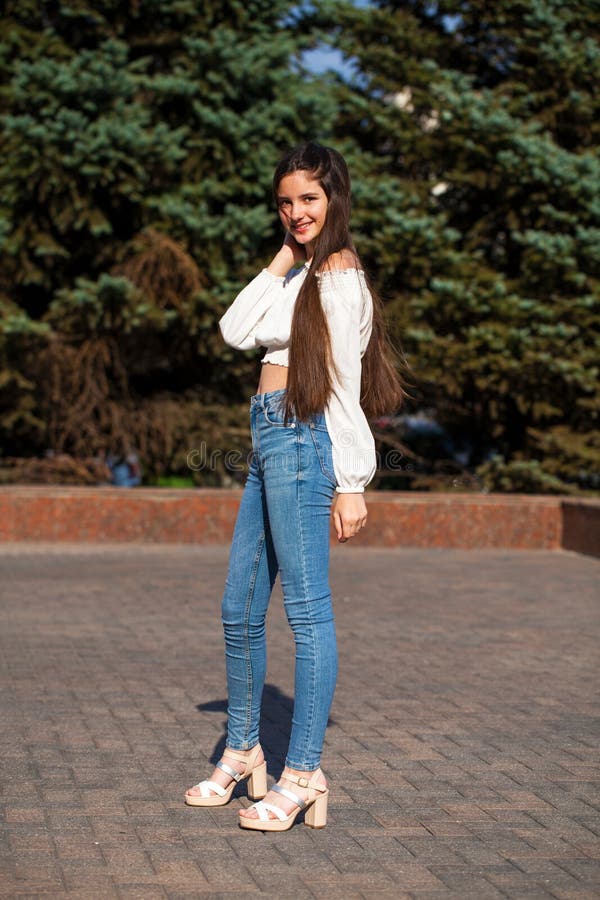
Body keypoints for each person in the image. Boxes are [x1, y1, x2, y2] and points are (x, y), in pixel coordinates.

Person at [184, 141, 407, 831]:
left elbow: (343, 387)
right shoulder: (302, 271)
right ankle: (245, 748)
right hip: (269, 438)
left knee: (307, 616)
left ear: (335, 197)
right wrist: (285, 252)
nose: (296, 212)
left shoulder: (340, 278)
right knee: (237, 605)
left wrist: (353, 483)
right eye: (285, 202)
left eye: (308, 199)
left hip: (308, 442)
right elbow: (232, 329)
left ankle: (304, 772)